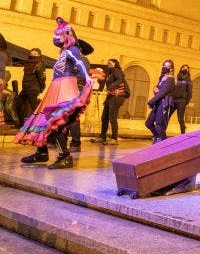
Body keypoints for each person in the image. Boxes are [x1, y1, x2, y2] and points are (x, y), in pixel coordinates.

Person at [14, 17, 93, 169]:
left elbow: (80, 64)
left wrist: (88, 79)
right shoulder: (63, 52)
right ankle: (42, 152)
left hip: (65, 88)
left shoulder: (73, 50)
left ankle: (65, 156)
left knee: (55, 121)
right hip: (55, 88)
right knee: (43, 120)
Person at [90, 59, 126, 145]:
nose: (108, 63)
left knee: (112, 117)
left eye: (110, 62)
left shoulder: (116, 70)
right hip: (110, 96)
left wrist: (111, 86)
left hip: (117, 96)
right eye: (108, 62)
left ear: (115, 64)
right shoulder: (110, 73)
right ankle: (102, 136)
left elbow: (120, 79)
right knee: (104, 117)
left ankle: (114, 138)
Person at [145, 60, 175, 143]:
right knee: (148, 123)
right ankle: (157, 136)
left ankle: (162, 142)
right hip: (158, 102)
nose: (165, 67)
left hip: (164, 103)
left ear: (172, 68)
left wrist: (151, 101)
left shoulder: (171, 79)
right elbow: (156, 89)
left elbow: (162, 92)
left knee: (159, 126)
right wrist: (156, 91)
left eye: (168, 66)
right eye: (164, 65)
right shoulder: (162, 77)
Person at [19, 48, 46, 125]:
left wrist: (41, 88)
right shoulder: (27, 64)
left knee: (34, 107)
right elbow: (25, 77)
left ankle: (40, 123)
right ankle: (21, 124)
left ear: (39, 55)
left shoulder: (39, 64)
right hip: (26, 88)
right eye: (31, 54)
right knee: (18, 104)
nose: (33, 56)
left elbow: (42, 78)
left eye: (35, 54)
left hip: (33, 88)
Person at [171, 64, 192, 134]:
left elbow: (189, 93)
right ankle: (161, 134)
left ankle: (183, 135)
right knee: (167, 117)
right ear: (181, 69)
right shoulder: (176, 77)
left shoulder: (188, 80)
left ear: (188, 71)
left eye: (186, 68)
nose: (185, 69)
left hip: (181, 101)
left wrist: (185, 102)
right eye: (183, 68)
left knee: (180, 119)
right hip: (173, 100)